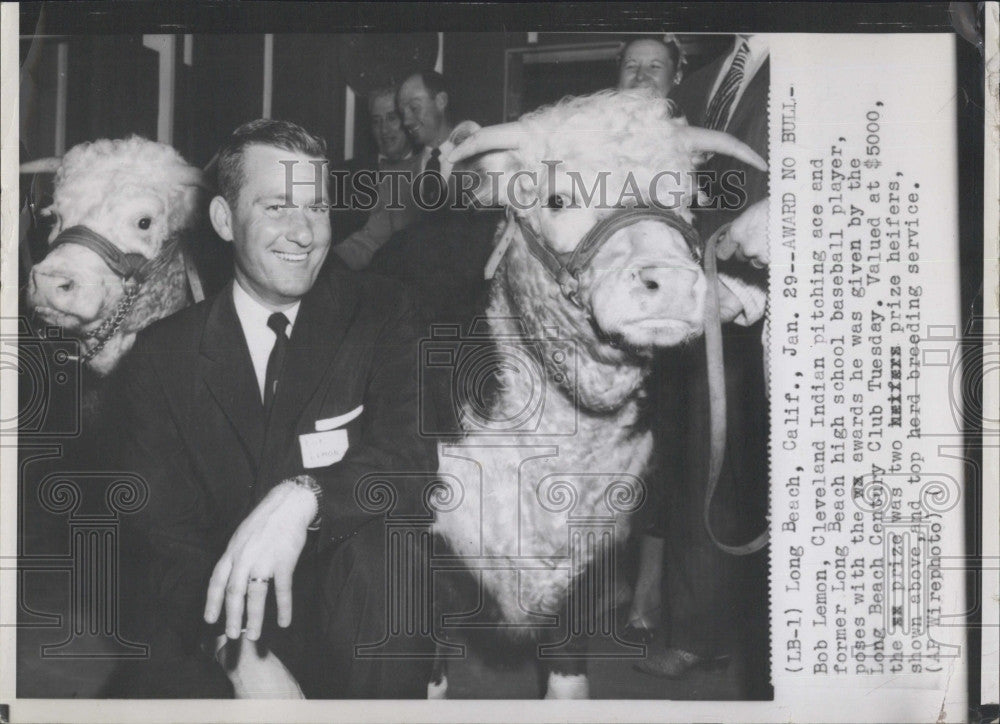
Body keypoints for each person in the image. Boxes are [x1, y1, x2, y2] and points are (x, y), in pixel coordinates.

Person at [114, 119, 438, 698]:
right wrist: (241, 657)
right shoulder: (162, 356)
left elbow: (410, 457)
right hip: (214, 618)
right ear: (222, 220)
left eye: (317, 209)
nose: (304, 233)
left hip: (353, 618)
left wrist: (304, 495)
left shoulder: (384, 311)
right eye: (276, 207)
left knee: (389, 544)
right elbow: (162, 539)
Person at [635, 34, 770, 698]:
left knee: (732, 473)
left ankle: (711, 635)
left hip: (759, 297)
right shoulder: (715, 76)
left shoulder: (813, 62)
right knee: (696, 463)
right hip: (700, 291)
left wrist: (748, 290)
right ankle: (694, 630)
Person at [333, 85, 422, 270]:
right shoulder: (346, 174)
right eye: (376, 121)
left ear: (407, 120)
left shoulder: (429, 171)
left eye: (391, 118)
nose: (384, 130)